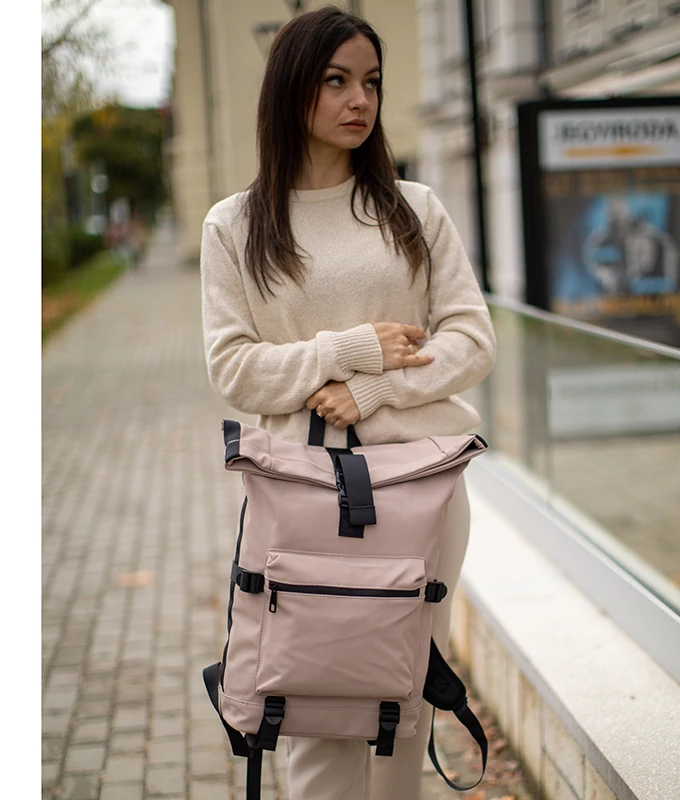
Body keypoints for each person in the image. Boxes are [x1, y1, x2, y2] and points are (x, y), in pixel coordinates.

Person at [199, 6, 496, 800]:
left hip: (422, 484)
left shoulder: (414, 208)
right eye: (335, 81)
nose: (359, 99)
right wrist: (348, 348)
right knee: (311, 693)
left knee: (403, 692)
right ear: (291, 88)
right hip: (301, 489)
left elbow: (471, 339)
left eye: (371, 82)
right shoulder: (236, 226)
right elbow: (235, 368)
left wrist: (373, 389)